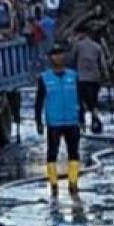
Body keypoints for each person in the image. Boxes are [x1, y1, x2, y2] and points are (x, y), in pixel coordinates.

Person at [34, 42, 82, 196]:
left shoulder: (73, 76)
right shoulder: (45, 78)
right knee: (52, 153)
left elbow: (80, 98)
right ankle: (53, 184)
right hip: (54, 122)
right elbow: (39, 101)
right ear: (50, 58)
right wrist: (38, 122)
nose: (59, 57)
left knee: (74, 152)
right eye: (55, 54)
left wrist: (83, 116)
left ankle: (73, 183)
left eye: (61, 54)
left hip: (72, 120)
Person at [69, 28, 108, 133]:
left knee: (80, 101)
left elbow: (72, 59)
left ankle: (82, 123)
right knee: (93, 101)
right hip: (95, 78)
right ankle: (95, 120)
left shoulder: (78, 46)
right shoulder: (97, 47)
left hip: (81, 78)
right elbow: (103, 64)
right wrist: (106, 76)